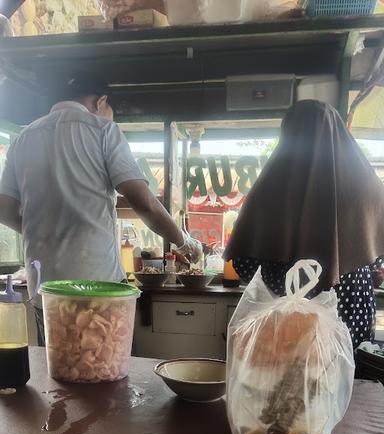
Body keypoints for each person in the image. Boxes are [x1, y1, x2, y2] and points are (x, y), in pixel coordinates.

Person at [0, 73, 202, 344]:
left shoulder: (22, 140)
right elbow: (144, 203)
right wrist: (185, 243)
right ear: (101, 102)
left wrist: (40, 230)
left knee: (60, 374)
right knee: (108, 373)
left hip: (45, 288)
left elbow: (4, 208)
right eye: (110, 111)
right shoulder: (103, 130)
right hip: (100, 286)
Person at [225, 100, 384, 349]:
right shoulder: (366, 186)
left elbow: (245, 264)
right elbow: (375, 257)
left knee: (284, 382)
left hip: (286, 315)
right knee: (347, 381)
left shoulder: (271, 186)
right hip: (352, 308)